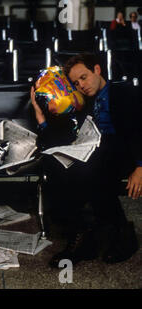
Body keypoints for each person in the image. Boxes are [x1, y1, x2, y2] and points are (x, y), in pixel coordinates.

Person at [31, 53, 141, 267]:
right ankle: (83, 232)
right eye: (76, 83)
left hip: (122, 153)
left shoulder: (123, 92)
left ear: (97, 70)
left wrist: (140, 167)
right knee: (54, 162)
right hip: (96, 154)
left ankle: (115, 233)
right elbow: (61, 138)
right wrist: (40, 115)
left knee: (89, 169)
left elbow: (139, 130)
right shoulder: (82, 103)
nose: (82, 85)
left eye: (84, 77)